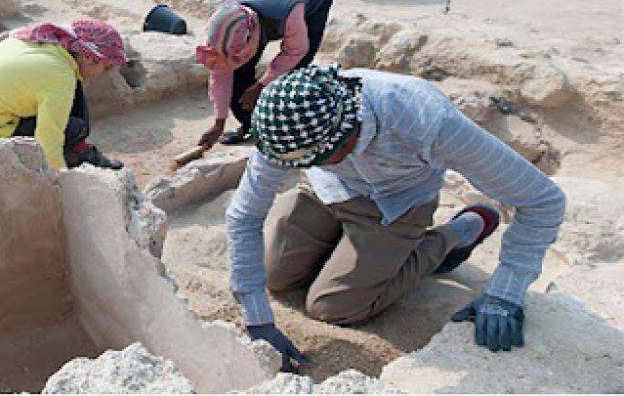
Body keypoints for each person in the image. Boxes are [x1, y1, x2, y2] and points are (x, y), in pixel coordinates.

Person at [226, 64, 566, 371]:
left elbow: (542, 200)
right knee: (276, 275)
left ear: (346, 134)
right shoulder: (288, 122)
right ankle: (346, 246)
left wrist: (506, 294)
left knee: (332, 306)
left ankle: (459, 232)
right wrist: (258, 321)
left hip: (395, 203)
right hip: (328, 191)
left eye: (318, 157)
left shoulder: (426, 121)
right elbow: (245, 216)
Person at [0, 19, 127, 170]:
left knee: (72, 83)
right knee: (74, 129)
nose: (104, 73)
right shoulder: (58, 75)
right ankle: (78, 152)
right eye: (106, 66)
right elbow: (48, 139)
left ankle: (80, 148)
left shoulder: (42, 44)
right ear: (87, 57)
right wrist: (59, 181)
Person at [197, 0, 332, 149]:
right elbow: (220, 74)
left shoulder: (287, 15)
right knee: (239, 76)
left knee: (293, 74)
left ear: (254, 37)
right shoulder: (223, 26)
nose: (234, 59)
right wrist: (219, 123)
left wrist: (262, 85)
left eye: (238, 55)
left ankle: (289, 130)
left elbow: (296, 52)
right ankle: (251, 126)